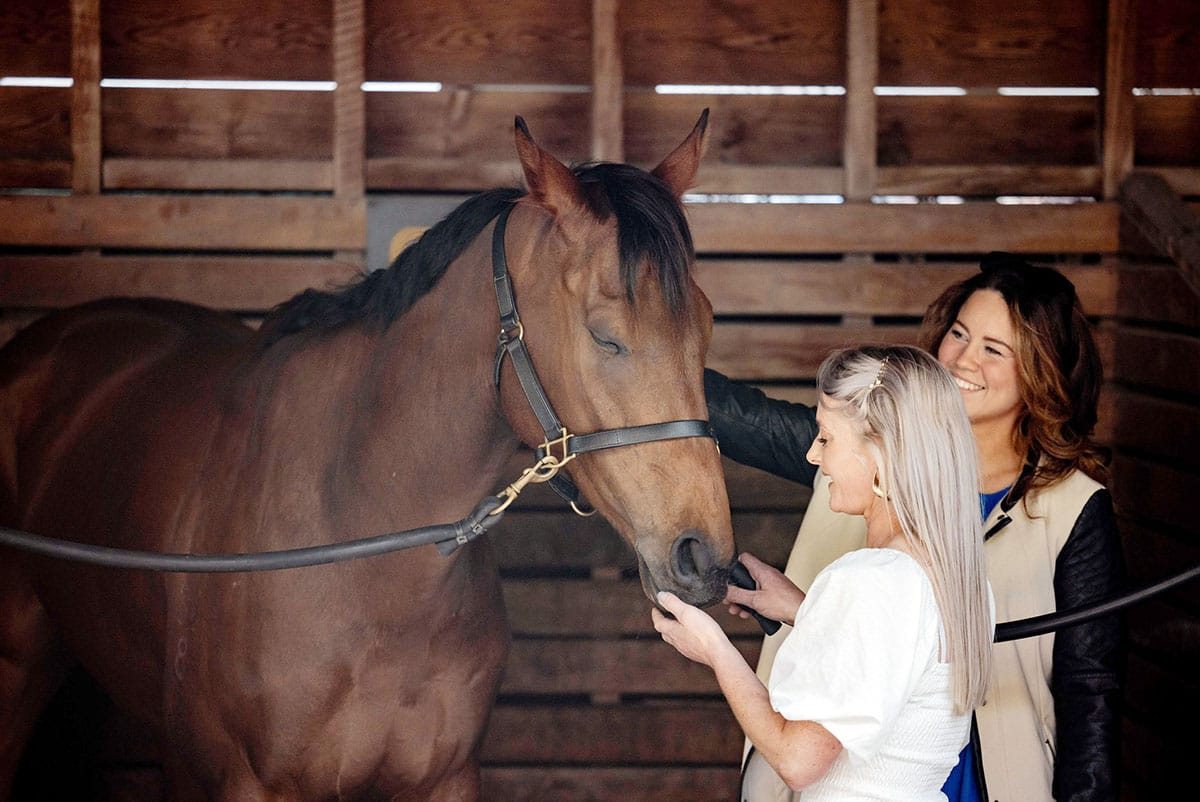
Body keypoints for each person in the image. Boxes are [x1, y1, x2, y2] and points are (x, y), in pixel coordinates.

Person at [703, 253, 1124, 802]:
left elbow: (1088, 694)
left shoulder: (1076, 509)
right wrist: (621, 357)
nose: (962, 359)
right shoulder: (849, 443)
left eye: (994, 350)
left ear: (1041, 374)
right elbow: (743, 418)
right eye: (958, 334)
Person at [653, 345, 994, 801]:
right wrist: (805, 609)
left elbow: (799, 761)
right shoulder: (959, 580)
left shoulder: (869, 580)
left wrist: (715, 649)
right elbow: (893, 657)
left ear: (880, 453)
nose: (814, 456)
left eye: (827, 438)